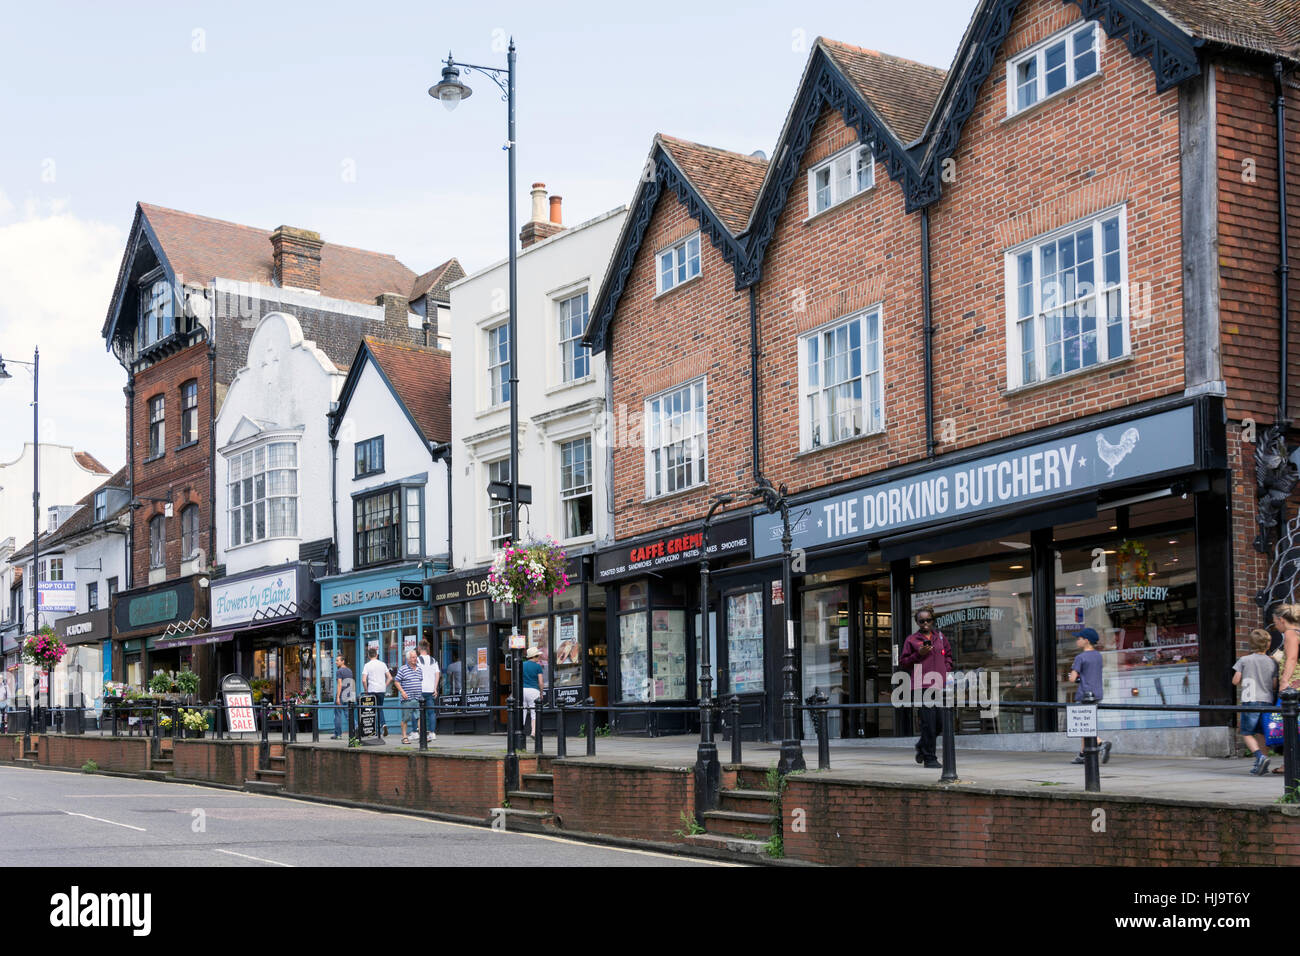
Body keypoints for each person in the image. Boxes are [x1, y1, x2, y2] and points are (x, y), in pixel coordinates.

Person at [898, 605, 953, 769]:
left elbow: (948, 655)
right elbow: (903, 663)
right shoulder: (912, 640)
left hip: (940, 685)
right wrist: (918, 654)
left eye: (928, 620)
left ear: (932, 620)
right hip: (922, 685)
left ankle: (922, 745)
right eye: (921, 621)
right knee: (928, 723)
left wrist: (946, 669)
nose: (925, 623)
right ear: (917, 622)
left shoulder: (941, 637)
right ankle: (930, 758)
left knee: (940, 723)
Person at [1232, 629, 1278, 775]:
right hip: (1267, 701)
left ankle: (1260, 757)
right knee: (1261, 733)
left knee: (1246, 732)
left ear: (1250, 644)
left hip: (1250, 700)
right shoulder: (1272, 662)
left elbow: (1235, 680)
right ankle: (1262, 763)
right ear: (1268, 644)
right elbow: (1274, 684)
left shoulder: (1244, 660)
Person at [1068, 627, 1112, 765]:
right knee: (1086, 722)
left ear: (1086, 641)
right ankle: (1083, 754)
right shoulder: (1098, 655)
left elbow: (1072, 678)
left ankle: (1101, 742)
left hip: (1084, 694)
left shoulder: (1080, 657)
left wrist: (1075, 677)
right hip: (1097, 693)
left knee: (1084, 724)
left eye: (1079, 638)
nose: (1077, 641)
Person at [1270, 604, 1300, 774]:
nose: (1276, 626)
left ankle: (1289, 765)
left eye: (1275, 622)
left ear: (1281, 620)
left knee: (1288, 727)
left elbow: (1292, 658)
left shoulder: (1290, 633)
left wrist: (1284, 681)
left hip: (1294, 686)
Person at [360, 647, 392, 737]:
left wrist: (366, 690)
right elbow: (390, 677)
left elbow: (363, 680)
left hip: (372, 690)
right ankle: (383, 724)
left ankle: (374, 731)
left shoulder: (367, 665)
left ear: (368, 656)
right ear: (377, 655)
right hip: (381, 690)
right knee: (380, 708)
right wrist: (384, 685)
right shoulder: (382, 664)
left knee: (371, 711)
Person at [394, 649, 424, 744]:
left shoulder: (419, 669)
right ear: (408, 659)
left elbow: (419, 681)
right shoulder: (403, 669)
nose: (415, 659)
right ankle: (404, 737)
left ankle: (422, 736)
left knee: (420, 717)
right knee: (406, 718)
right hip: (407, 698)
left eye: (416, 657)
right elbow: (396, 681)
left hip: (418, 698)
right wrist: (402, 692)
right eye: (413, 657)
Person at [418, 640, 440, 742]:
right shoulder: (433, 660)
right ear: (427, 648)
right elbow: (437, 674)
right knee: (431, 713)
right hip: (431, 690)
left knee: (419, 712)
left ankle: (418, 732)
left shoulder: (417, 660)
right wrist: (435, 688)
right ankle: (432, 733)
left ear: (419, 648)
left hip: (420, 689)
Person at [522, 646, 545, 736]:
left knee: (522, 711)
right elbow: (541, 682)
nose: (539, 658)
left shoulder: (522, 665)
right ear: (535, 656)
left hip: (522, 690)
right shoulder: (537, 666)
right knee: (534, 712)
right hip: (533, 691)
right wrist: (541, 692)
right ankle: (534, 732)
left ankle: (520, 732)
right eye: (538, 656)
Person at [332, 654, 355, 740]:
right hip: (349, 694)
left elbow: (340, 684)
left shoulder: (339, 671)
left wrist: (338, 697)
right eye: (336, 660)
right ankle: (356, 727)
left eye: (337, 660)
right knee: (349, 714)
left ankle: (338, 734)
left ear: (343, 661)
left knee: (338, 715)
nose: (335, 662)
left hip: (342, 695)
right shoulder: (349, 670)